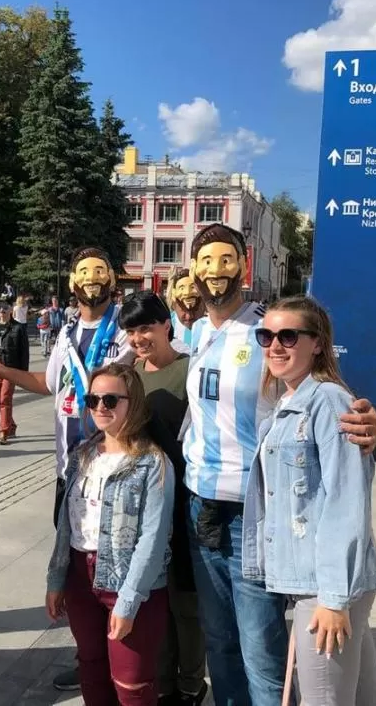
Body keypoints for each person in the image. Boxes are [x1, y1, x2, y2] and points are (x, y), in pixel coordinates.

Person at [180, 224, 376, 705]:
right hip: (200, 505)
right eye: (205, 261)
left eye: (226, 260)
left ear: (244, 265)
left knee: (261, 652)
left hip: (251, 516)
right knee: (221, 643)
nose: (215, 272)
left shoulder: (263, 326)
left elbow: (320, 397)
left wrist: (368, 423)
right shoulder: (197, 329)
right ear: (192, 270)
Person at [0, 246, 134, 693]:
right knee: (75, 571)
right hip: (69, 473)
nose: (91, 278)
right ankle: (87, 657)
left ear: (112, 279)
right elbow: (45, 385)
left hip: (113, 470)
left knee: (113, 566)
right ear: (72, 282)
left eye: (99, 270)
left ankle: (119, 663)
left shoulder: (125, 331)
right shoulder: (64, 332)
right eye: (83, 271)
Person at [243, 295, 376, 705]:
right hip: (318, 579)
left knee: (323, 697)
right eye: (266, 335)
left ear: (317, 343)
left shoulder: (328, 402)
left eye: (288, 335)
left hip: (323, 584)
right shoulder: (286, 401)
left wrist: (332, 597)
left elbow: (346, 502)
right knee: (363, 693)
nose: (274, 345)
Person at [46, 363, 173, 706]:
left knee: (131, 683)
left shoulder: (152, 463)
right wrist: (57, 579)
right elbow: (66, 522)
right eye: (93, 399)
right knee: (91, 668)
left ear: (134, 403)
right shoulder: (81, 454)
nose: (101, 407)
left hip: (130, 582)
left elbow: (154, 537)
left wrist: (129, 601)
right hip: (79, 576)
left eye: (111, 399)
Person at [119, 292, 207, 705]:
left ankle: (191, 683)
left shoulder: (191, 370)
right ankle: (164, 681)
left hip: (186, 501)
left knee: (185, 603)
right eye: (132, 331)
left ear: (166, 324)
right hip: (145, 505)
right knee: (155, 599)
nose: (139, 338)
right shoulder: (131, 374)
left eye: (146, 327)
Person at [0, 299, 29, 444]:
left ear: (11, 310)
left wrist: (23, 375)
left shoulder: (19, 328)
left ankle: (3, 431)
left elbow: (24, 352)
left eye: (5, 308)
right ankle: (11, 425)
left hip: (11, 369)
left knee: (5, 398)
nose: (2, 311)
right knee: (0, 401)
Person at [166, 268, 204, 354]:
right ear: (174, 306)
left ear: (204, 304)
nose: (189, 316)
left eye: (195, 309)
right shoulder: (163, 328)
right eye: (183, 310)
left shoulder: (215, 327)